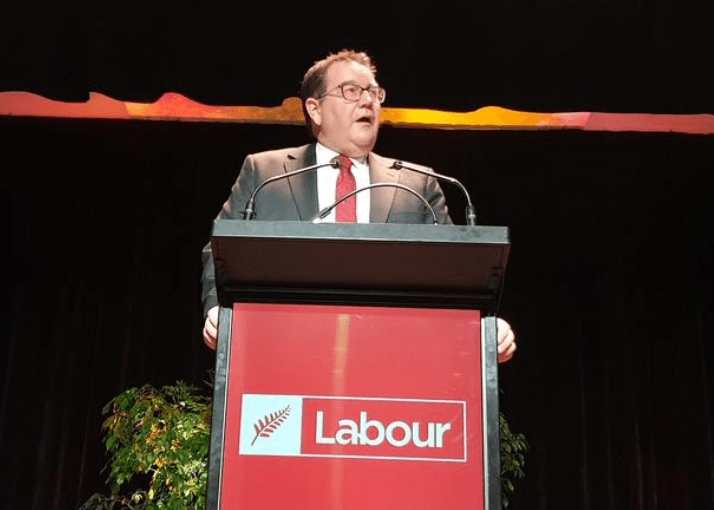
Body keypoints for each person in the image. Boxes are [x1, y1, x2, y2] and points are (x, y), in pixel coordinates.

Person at [200, 49, 516, 363]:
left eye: (374, 93)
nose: (368, 101)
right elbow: (221, 251)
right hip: (284, 354)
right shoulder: (266, 172)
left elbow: (450, 275)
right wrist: (217, 310)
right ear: (315, 109)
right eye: (351, 90)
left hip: (389, 359)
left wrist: (482, 326)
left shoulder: (415, 184)